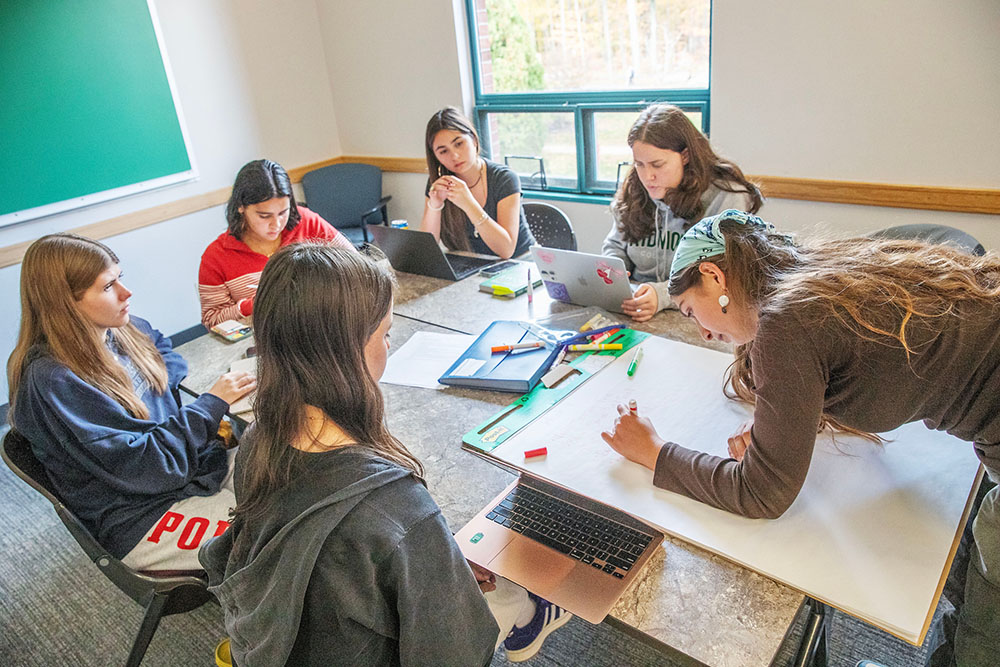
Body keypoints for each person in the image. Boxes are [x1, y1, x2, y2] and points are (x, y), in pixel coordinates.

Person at [600, 209, 1000, 666]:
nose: (705, 332)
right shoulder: (811, 279)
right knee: (968, 567)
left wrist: (654, 453)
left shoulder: (784, 321)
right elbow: (860, 366)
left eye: (692, 311)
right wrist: (786, 422)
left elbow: (762, 494)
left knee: (986, 627)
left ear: (713, 275)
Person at [199, 244, 570, 666]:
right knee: (509, 591)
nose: (389, 346)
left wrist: (433, 561)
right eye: (386, 333)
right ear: (349, 351)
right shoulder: (397, 507)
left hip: (286, 639)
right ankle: (530, 610)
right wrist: (427, 556)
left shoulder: (258, 440)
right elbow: (453, 654)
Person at [6, 233, 256, 571]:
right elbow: (149, 467)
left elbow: (164, 350)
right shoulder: (54, 382)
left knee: (295, 475)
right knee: (273, 535)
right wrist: (209, 405)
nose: (126, 293)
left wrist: (176, 410)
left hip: (187, 467)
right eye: (108, 287)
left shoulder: (121, 330)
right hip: (140, 514)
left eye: (119, 278)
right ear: (66, 302)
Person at [602, 104, 762, 322]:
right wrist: (614, 274)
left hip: (701, 317)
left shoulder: (727, 196)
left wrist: (663, 295)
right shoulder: (636, 188)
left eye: (657, 165)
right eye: (639, 164)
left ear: (685, 156)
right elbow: (615, 245)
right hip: (636, 308)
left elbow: (718, 274)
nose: (648, 176)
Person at [198, 159, 355, 328]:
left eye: (283, 212)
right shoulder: (216, 256)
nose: (277, 224)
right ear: (241, 207)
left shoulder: (306, 221)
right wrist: (253, 304)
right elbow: (212, 320)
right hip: (267, 340)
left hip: (323, 325)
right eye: (264, 216)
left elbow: (354, 264)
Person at [420, 107, 535, 259]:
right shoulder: (439, 183)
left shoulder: (504, 178)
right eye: (443, 151)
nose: (454, 155)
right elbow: (426, 250)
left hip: (519, 264)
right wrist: (435, 206)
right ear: (436, 157)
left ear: (473, 140)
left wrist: (469, 204)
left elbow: (506, 250)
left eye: (459, 143)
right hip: (472, 266)